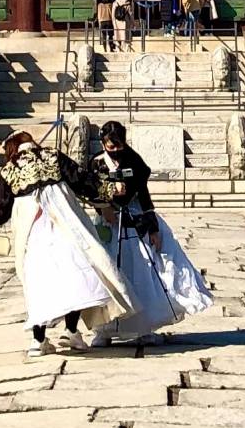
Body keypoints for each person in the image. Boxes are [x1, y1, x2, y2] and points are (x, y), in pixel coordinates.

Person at [0, 129, 132, 354]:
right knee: (75, 274)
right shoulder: (53, 156)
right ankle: (71, 331)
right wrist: (109, 189)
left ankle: (38, 341)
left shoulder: (9, 170)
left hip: (34, 234)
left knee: (39, 282)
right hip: (66, 225)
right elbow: (82, 180)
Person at [84, 119, 214, 343]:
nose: (115, 151)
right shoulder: (95, 163)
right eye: (110, 146)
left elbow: (143, 195)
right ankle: (103, 329)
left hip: (133, 218)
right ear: (103, 144)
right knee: (105, 273)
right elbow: (89, 189)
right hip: (107, 220)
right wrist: (103, 207)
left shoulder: (134, 162)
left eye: (119, 146)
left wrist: (152, 227)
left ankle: (143, 327)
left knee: (141, 272)